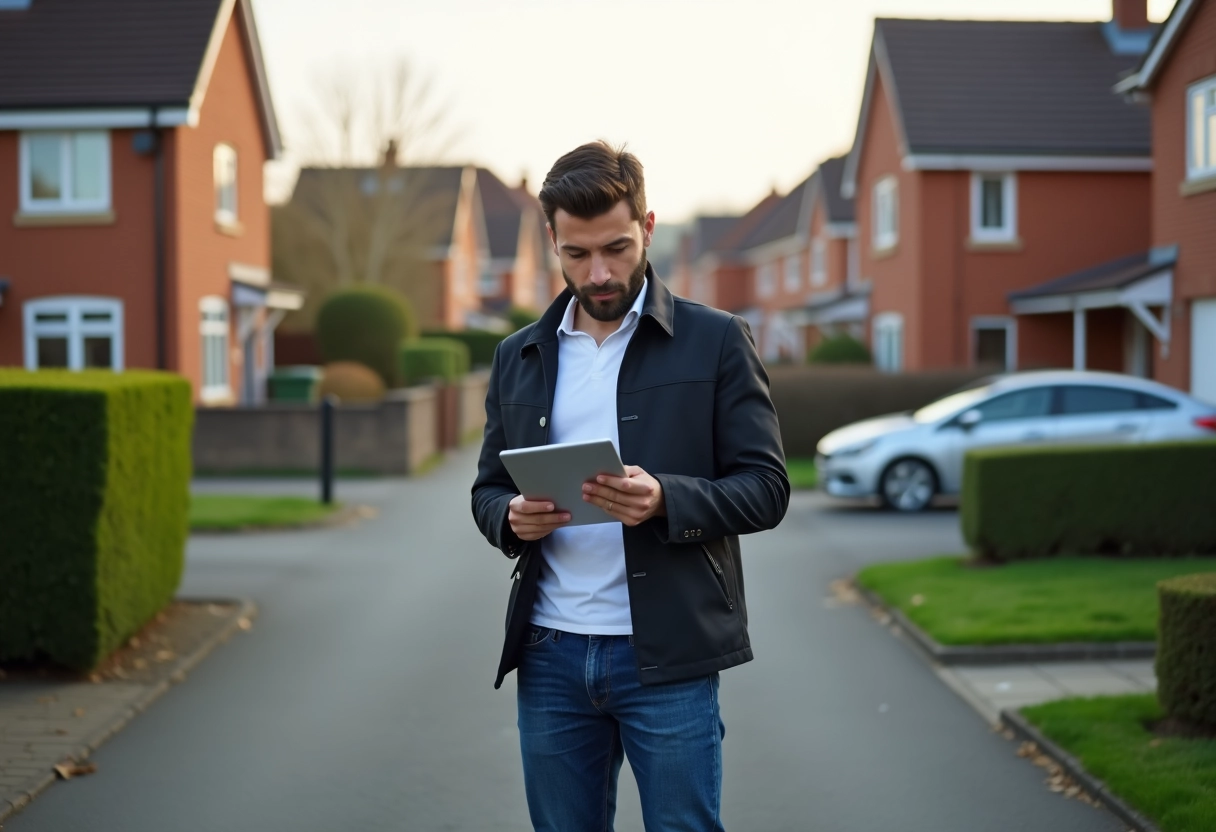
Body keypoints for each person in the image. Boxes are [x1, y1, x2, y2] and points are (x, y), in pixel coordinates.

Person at [471, 141, 789, 831]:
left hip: (670, 653)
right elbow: (487, 490)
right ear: (552, 241)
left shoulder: (717, 340)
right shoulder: (517, 355)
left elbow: (767, 488)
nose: (600, 272)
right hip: (550, 653)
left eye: (616, 248)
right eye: (577, 253)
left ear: (647, 227)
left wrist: (667, 499)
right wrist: (510, 517)